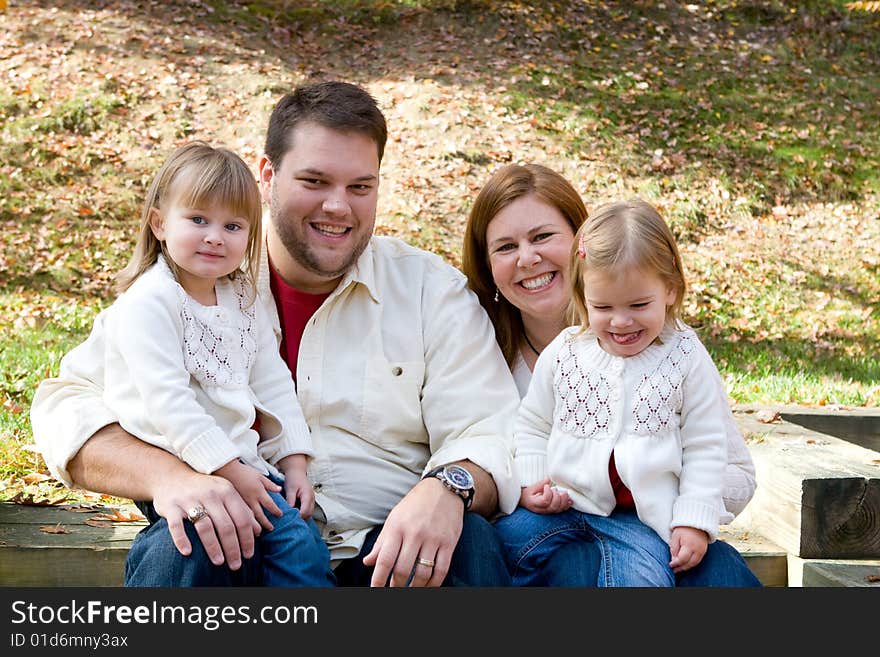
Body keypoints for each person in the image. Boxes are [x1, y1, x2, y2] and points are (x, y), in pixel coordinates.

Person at [30, 81, 520, 587]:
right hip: (242, 540)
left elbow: (490, 431)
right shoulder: (187, 286)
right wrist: (167, 476)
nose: (337, 207)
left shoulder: (429, 291)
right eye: (314, 181)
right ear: (267, 175)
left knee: (469, 543)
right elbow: (64, 406)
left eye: (359, 187)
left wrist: (448, 489)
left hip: (386, 554)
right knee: (187, 540)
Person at [39, 141, 336, 587]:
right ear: (159, 223)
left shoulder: (241, 297)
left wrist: (294, 460)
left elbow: (272, 381)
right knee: (198, 539)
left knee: (301, 546)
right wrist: (230, 471)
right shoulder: (149, 303)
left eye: (233, 225)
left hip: (241, 463)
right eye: (198, 220)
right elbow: (168, 402)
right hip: (174, 460)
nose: (215, 235)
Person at [462, 164, 761, 587]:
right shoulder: (481, 353)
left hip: (651, 522)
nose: (528, 257)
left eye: (543, 236)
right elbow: (521, 434)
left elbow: (719, 457)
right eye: (506, 246)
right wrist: (531, 482)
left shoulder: (677, 355)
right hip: (553, 522)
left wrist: (681, 507)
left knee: (713, 576)